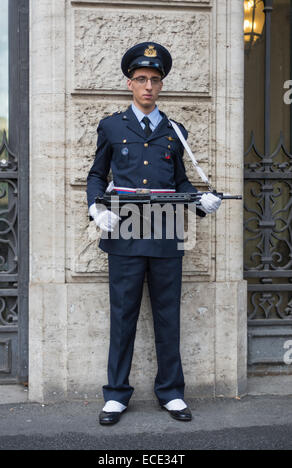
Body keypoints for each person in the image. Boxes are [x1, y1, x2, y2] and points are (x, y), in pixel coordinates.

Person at [86, 42, 221, 425]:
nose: (148, 86)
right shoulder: (112, 126)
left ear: (161, 86)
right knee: (123, 315)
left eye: (155, 80)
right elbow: (98, 174)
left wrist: (201, 203)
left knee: (167, 316)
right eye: (141, 79)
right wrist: (96, 207)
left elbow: (179, 181)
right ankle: (116, 394)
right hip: (125, 232)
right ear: (130, 83)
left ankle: (171, 392)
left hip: (165, 231)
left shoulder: (175, 131)